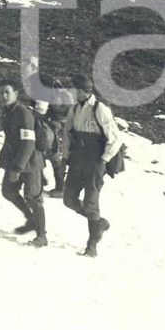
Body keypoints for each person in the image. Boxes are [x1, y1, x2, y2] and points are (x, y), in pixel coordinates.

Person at [64, 74, 122, 257]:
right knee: (69, 200)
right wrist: (66, 156)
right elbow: (67, 133)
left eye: (73, 89)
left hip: (95, 160)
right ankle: (99, 223)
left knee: (91, 201)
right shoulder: (74, 108)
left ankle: (92, 245)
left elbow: (115, 139)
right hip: (77, 158)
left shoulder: (100, 109)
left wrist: (103, 160)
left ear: (81, 91)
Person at [0, 80, 48, 247]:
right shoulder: (7, 112)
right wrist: (1, 159)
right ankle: (31, 220)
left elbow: (28, 143)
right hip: (15, 160)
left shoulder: (22, 113)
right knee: (8, 191)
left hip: (30, 162)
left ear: (16, 94)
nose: (3, 96)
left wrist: (17, 168)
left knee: (33, 197)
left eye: (7, 92)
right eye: (1, 92)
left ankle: (42, 236)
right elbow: (10, 139)